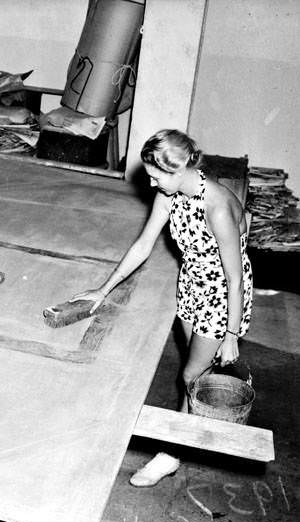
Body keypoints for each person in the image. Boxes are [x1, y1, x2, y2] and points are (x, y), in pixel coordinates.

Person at [70, 129, 253, 487]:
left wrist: (231, 334)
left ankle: (170, 453)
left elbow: (234, 277)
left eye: (156, 176)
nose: (151, 183)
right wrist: (102, 290)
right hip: (192, 283)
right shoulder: (171, 195)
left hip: (222, 294)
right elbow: (142, 245)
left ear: (180, 168)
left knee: (189, 376)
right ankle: (196, 421)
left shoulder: (215, 206)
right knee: (196, 371)